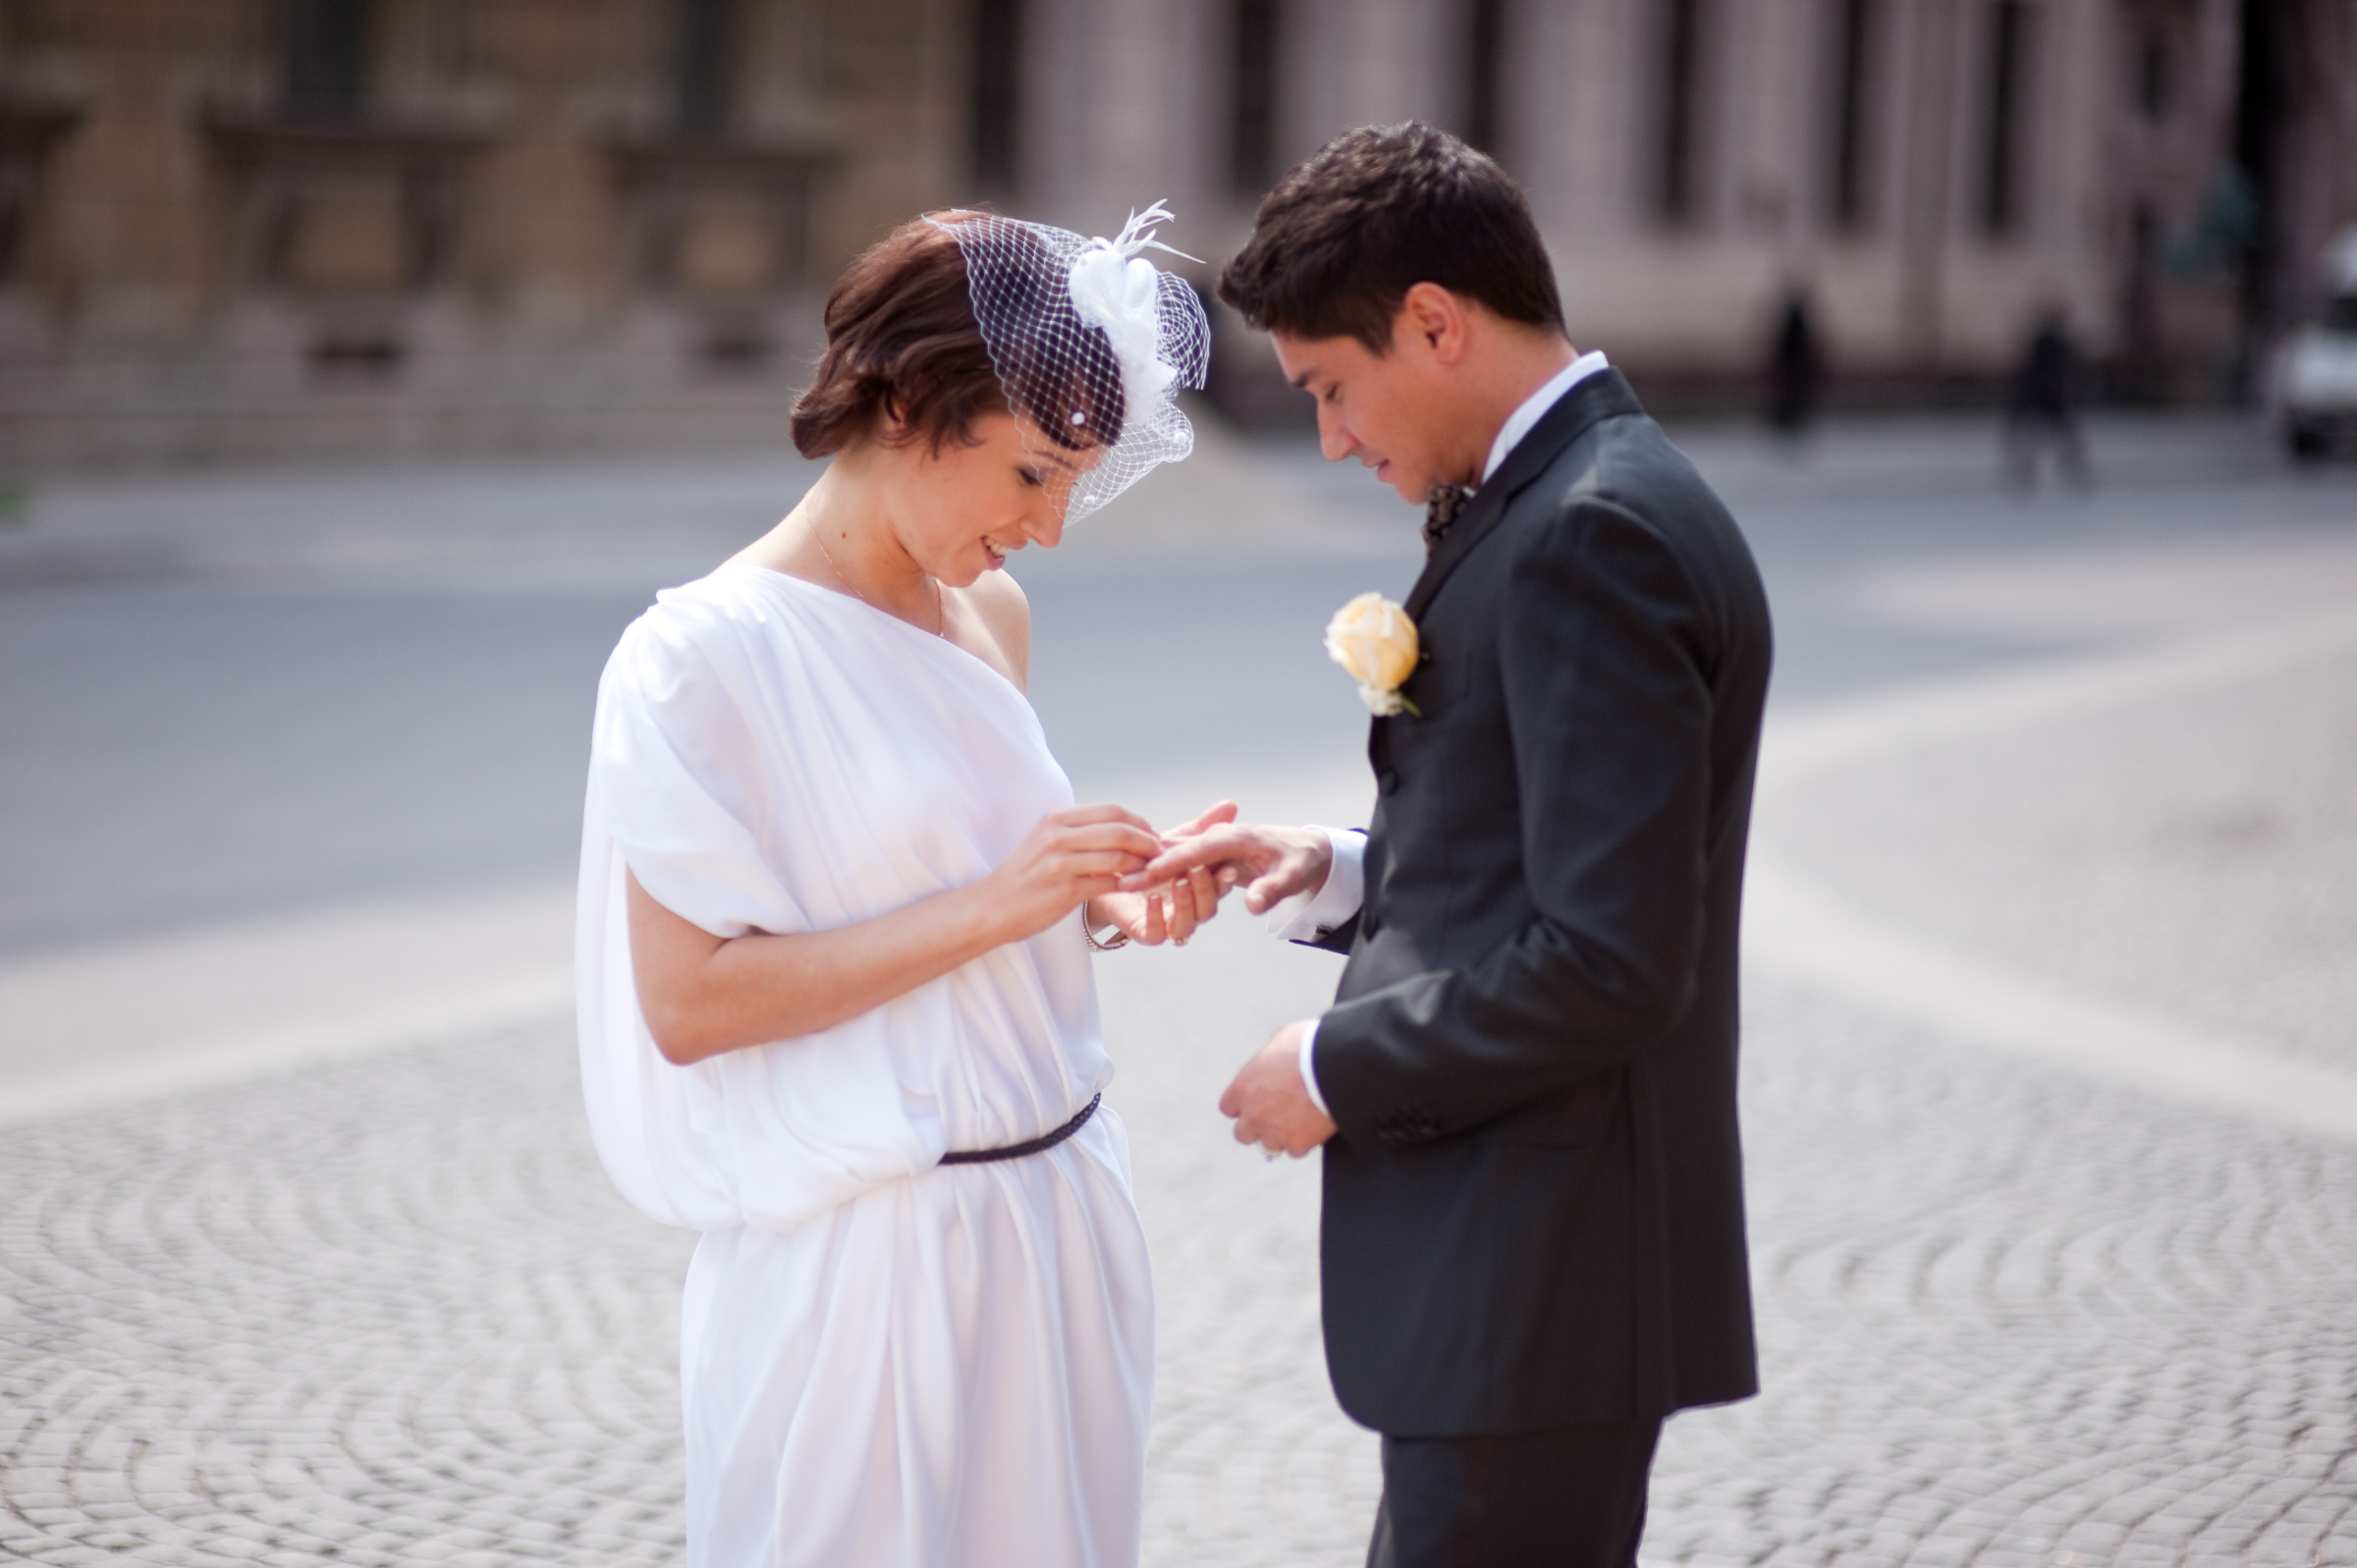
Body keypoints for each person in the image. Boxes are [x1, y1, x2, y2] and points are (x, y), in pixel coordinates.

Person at [1132, 124, 1773, 1566]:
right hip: (1531, 1280)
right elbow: (1541, 839)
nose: (1333, 439)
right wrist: (1347, 866)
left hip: (1537, 1273)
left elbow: (1612, 959)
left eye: (1332, 389)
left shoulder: (1590, 534)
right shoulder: (1575, 497)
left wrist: (1328, 1068)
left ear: (1435, 322)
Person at [576, 205, 1221, 1568]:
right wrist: (1005, 901)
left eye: (1074, 487)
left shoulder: (993, 615)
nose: (1050, 529)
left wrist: (1100, 898)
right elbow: (689, 1002)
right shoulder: (698, 659)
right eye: (1035, 475)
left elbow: (957, 887)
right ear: (917, 403)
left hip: (1058, 1227)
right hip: (868, 1267)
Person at [2004, 308, 2092, 489]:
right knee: (2061, 437)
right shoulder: (2057, 344)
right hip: (2051, 396)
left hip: (2040, 395)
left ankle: (2027, 473)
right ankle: (2071, 470)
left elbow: (2030, 371)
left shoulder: (2043, 343)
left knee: (2034, 437)